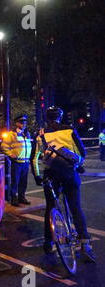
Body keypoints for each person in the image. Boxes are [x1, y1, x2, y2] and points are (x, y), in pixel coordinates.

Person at [30, 106, 95, 262]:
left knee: (50, 207)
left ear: (47, 118)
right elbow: (82, 153)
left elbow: (34, 159)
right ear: (60, 117)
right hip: (69, 172)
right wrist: (77, 165)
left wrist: (38, 176)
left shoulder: (40, 134)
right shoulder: (69, 131)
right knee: (75, 207)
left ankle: (48, 242)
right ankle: (85, 243)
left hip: (51, 174)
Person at [0, 114, 32, 207]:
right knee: (15, 181)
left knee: (23, 182)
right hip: (17, 162)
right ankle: (14, 198)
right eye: (22, 122)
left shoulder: (26, 134)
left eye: (25, 122)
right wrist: (10, 154)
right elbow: (3, 146)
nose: (24, 124)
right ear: (17, 123)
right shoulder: (11, 134)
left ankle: (22, 197)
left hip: (25, 162)